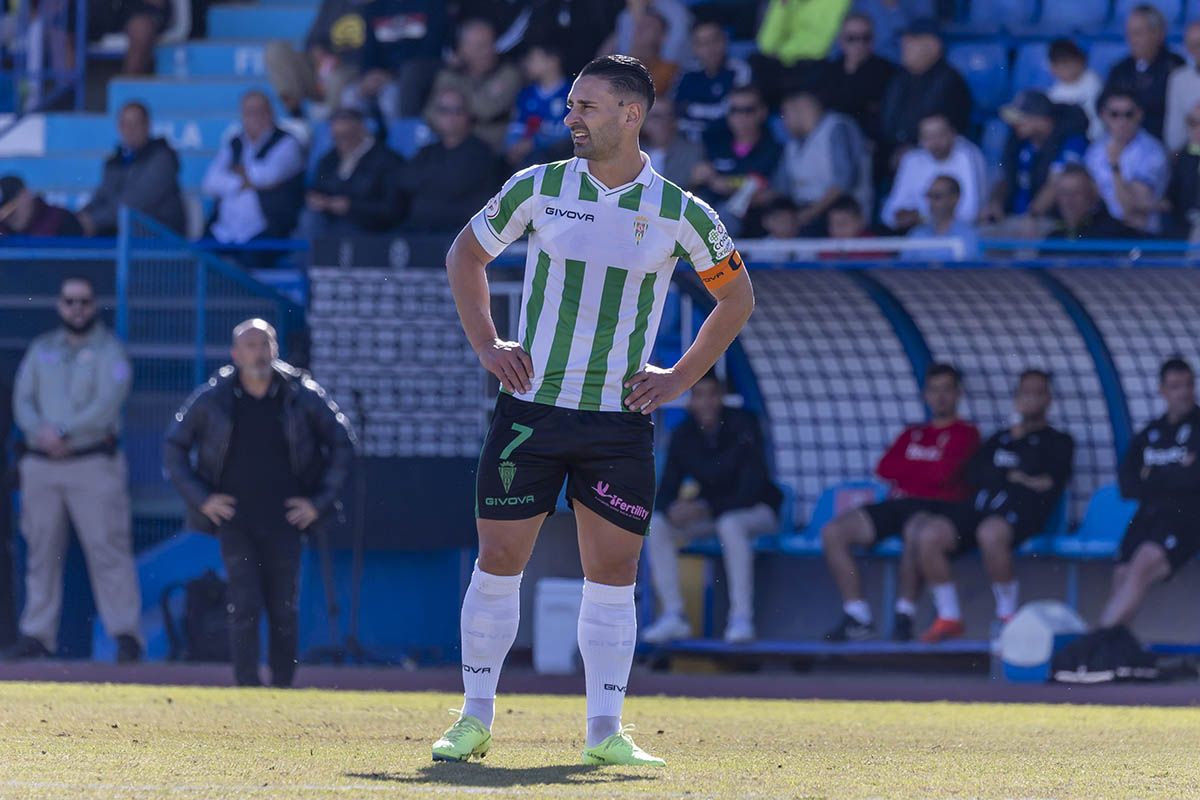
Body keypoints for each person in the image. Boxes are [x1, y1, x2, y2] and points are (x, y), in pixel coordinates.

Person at [432, 54, 755, 767]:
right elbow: (465, 256)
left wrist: (678, 377)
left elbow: (737, 297)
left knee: (612, 577)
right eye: (571, 106)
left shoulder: (680, 211)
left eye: (586, 106)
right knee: (496, 563)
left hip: (618, 421)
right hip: (531, 411)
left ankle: (605, 732)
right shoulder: (538, 187)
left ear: (630, 114)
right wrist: (488, 345)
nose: (570, 117)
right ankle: (474, 719)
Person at [163, 319, 354, 687]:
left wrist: (318, 502)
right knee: (244, 601)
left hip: (288, 518)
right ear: (235, 354)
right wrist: (203, 500)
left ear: (275, 349)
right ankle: (246, 685)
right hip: (235, 518)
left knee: (284, 605)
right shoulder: (214, 397)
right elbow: (174, 447)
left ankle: (283, 685)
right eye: (249, 345)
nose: (258, 352)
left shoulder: (300, 393)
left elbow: (343, 441)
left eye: (264, 343)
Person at [5, 277, 141, 662]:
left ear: (94, 304)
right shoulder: (41, 349)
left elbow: (108, 404)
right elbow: (23, 400)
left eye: (84, 301)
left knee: (108, 550)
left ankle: (125, 635)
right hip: (41, 465)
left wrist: (64, 431)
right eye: (69, 301)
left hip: (93, 463)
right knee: (41, 552)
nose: (77, 308)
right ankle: (37, 635)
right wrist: (42, 433)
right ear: (60, 305)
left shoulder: (110, 351)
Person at [906, 370, 1074, 643]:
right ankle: (949, 616)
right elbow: (974, 475)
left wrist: (1015, 465)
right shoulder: (999, 438)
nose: (1030, 399)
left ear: (1048, 399)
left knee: (990, 533)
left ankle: (1007, 614)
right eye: (1024, 393)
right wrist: (1015, 473)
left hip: (1022, 513)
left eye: (1037, 393)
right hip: (980, 508)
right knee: (929, 534)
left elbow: (1047, 480)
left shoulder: (1059, 441)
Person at [821, 363, 980, 643]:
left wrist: (912, 467)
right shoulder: (912, 433)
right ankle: (857, 615)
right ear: (925, 395)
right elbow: (884, 468)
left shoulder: (966, 434)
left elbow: (943, 475)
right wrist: (923, 468)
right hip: (899, 503)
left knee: (915, 531)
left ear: (958, 394)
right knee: (834, 532)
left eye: (947, 390)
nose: (940, 397)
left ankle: (904, 614)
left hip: (938, 507)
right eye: (934, 390)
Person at [642, 372, 782, 644]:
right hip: (714, 515)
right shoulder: (683, 434)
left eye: (712, 395)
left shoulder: (744, 424)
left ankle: (741, 619)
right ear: (690, 401)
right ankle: (674, 615)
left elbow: (752, 488)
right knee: (657, 525)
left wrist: (705, 506)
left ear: (721, 398)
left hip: (759, 511)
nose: (706, 403)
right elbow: (668, 486)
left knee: (730, 524)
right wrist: (672, 508)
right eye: (699, 396)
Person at [1098, 357, 1200, 630]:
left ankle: (1095, 642)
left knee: (1143, 563)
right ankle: (1113, 647)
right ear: (1162, 391)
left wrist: (1155, 475)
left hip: (1187, 516)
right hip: (1148, 514)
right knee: (1122, 572)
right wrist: (1176, 472)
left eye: (1189, 385)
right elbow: (1128, 486)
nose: (1185, 393)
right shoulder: (1151, 433)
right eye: (1176, 386)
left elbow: (1194, 480)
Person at [201, 91, 307, 250]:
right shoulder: (235, 143)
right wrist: (243, 181)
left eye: (260, 111)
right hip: (223, 232)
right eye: (249, 112)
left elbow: (270, 175)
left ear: (271, 113)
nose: (255, 117)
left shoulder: (287, 142)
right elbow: (210, 182)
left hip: (267, 231)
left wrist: (235, 174)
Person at [78, 102, 186, 236]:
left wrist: (94, 221)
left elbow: (135, 203)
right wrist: (79, 219)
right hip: (119, 231)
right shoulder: (114, 162)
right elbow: (101, 197)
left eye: (136, 124)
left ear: (147, 125)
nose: (130, 129)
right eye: (125, 124)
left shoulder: (162, 159)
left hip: (157, 238)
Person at [400, 87, 498, 234]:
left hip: (462, 231)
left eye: (458, 111)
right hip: (422, 228)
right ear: (435, 115)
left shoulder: (481, 152)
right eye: (444, 111)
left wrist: (430, 182)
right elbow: (406, 180)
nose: (451, 117)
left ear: (468, 115)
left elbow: (456, 185)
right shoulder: (428, 151)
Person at [772, 89, 872, 235]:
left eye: (786, 113)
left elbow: (844, 182)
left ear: (802, 109)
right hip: (804, 212)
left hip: (841, 213)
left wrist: (809, 214)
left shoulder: (837, 128)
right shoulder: (793, 143)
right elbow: (781, 188)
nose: (783, 121)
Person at [878, 18, 972, 168]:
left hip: (932, 163)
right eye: (905, 40)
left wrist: (913, 150)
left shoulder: (950, 82)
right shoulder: (898, 78)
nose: (904, 44)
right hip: (892, 158)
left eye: (913, 40)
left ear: (934, 46)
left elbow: (949, 134)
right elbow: (886, 124)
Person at [984, 90, 1088, 221]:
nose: (1015, 123)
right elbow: (1006, 178)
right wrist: (996, 203)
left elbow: (1055, 184)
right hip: (1015, 219)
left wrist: (1031, 216)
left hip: (1050, 222)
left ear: (1044, 120)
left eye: (1022, 117)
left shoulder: (1072, 142)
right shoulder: (1019, 141)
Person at [304, 107, 408, 237]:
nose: (341, 142)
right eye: (337, 137)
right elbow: (318, 187)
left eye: (347, 135)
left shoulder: (388, 161)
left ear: (362, 129)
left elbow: (392, 208)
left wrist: (351, 207)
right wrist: (317, 199)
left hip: (370, 226)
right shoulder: (329, 159)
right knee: (309, 220)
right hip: (330, 221)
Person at [693, 85, 782, 235]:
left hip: (758, 226)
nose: (740, 117)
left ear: (762, 112)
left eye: (748, 110)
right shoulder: (715, 146)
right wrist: (697, 178)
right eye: (734, 110)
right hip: (709, 226)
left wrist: (727, 185)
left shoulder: (773, 149)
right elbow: (695, 183)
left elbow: (775, 192)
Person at [423, 18, 522, 152]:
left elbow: (485, 109)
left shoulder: (508, 73)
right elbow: (430, 113)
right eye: (479, 45)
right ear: (463, 48)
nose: (487, 51)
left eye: (490, 43)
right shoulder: (449, 74)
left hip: (491, 146)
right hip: (448, 144)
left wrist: (453, 105)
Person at [340, 0, 447, 119]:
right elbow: (369, 51)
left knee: (390, 95)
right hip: (382, 74)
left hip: (415, 73)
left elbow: (432, 48)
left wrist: (392, 76)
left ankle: (398, 136)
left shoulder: (433, 3)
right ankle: (365, 136)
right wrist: (369, 74)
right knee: (350, 95)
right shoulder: (374, 7)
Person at [264, 0, 371, 118]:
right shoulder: (334, 3)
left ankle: (330, 126)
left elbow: (382, 51)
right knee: (276, 50)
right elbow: (313, 40)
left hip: (356, 71)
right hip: (322, 69)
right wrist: (319, 54)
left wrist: (341, 61)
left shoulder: (382, 5)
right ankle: (296, 115)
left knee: (336, 78)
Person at [881, 113, 986, 232]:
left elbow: (970, 213)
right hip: (920, 233)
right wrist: (903, 217)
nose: (935, 142)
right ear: (920, 140)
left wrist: (921, 217)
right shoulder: (911, 160)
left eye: (940, 135)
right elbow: (889, 215)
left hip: (960, 232)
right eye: (928, 137)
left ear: (953, 134)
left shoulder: (968, 156)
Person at [1083, 89, 1168, 234]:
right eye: (1114, 114)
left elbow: (1129, 208)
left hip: (1143, 233)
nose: (1122, 121)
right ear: (1103, 115)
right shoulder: (1094, 151)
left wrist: (1115, 167)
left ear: (1139, 114)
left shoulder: (1153, 152)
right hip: (1102, 229)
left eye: (1129, 114)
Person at [1102, 3, 1183, 141]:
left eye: (1138, 33)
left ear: (1158, 33)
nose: (1132, 40)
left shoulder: (1176, 68)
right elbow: (1104, 103)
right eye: (1129, 34)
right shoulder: (1120, 69)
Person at [822, 12, 898, 154]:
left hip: (868, 143)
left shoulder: (886, 70)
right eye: (852, 38)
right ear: (841, 41)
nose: (859, 44)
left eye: (866, 38)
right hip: (832, 140)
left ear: (873, 41)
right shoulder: (829, 70)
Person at [673, 20, 752, 143]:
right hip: (690, 143)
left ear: (725, 41)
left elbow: (730, 112)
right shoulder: (687, 73)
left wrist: (692, 110)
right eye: (702, 43)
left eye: (714, 40)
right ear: (695, 48)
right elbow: (677, 111)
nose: (709, 48)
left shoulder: (739, 70)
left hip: (728, 140)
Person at [505, 43, 571, 169]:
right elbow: (517, 125)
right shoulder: (526, 94)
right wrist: (513, 146)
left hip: (560, 160)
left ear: (553, 61)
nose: (527, 64)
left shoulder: (572, 92)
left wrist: (534, 143)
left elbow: (571, 133)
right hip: (526, 161)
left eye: (533, 59)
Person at [1044, 163, 1145, 243]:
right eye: (1064, 193)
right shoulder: (1052, 239)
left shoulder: (1113, 234)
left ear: (1091, 196)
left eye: (1077, 193)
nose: (1069, 200)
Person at [901, 175, 979, 260]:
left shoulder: (969, 234)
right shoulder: (916, 234)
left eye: (937, 196)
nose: (931, 202)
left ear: (954, 199)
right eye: (929, 196)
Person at [1047, 38, 1104, 142]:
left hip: (1094, 139)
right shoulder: (1054, 92)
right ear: (1053, 68)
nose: (1065, 69)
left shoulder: (1093, 82)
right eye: (1060, 64)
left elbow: (1099, 120)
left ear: (1080, 61)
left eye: (1068, 62)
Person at [641, 101, 704, 189]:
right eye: (656, 117)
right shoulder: (632, 151)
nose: (664, 122)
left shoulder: (691, 151)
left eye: (669, 116)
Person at [850, 0, 934, 63]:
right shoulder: (862, 3)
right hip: (864, 63)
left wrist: (893, 8)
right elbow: (848, 34)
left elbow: (925, 34)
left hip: (900, 65)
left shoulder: (920, 3)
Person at [0, 175, 83, 237]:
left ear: (26, 195)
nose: (8, 216)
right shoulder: (2, 230)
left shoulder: (61, 220)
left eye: (12, 207)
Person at [1164, 21, 1200, 155]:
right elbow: (1174, 137)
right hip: (1192, 151)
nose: (1198, 49)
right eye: (1193, 45)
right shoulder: (1178, 79)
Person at [1165, 103, 1200, 239]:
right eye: (1193, 123)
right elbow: (1172, 197)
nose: (1198, 129)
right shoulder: (1183, 156)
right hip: (1185, 225)